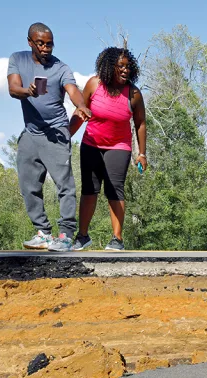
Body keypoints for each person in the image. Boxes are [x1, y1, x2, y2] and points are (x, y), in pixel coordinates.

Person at [7, 22, 91, 250]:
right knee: (28, 186)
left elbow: (73, 91)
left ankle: (65, 235)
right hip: (31, 132)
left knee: (64, 185)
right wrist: (27, 91)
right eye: (40, 43)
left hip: (56, 132)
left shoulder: (61, 68)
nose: (45, 48)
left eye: (49, 44)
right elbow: (13, 88)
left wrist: (81, 105)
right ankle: (43, 233)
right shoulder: (18, 59)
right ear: (30, 42)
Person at [53, 46, 147, 252]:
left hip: (119, 147)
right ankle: (82, 236)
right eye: (120, 66)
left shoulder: (133, 94)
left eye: (128, 67)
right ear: (109, 66)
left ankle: (117, 239)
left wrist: (141, 153)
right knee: (89, 190)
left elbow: (140, 123)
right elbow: (81, 112)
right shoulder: (94, 84)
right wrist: (66, 136)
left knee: (115, 190)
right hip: (91, 144)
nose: (125, 70)